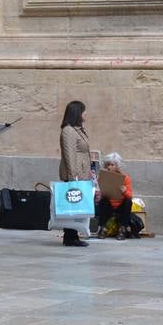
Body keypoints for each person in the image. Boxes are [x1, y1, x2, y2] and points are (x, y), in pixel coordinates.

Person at [58, 100, 93, 247]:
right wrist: (73, 178)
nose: (86, 114)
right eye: (84, 111)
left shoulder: (77, 129)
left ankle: (74, 235)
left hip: (82, 174)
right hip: (74, 175)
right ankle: (70, 237)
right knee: (70, 207)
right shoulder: (68, 131)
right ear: (77, 113)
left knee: (76, 207)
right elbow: (69, 155)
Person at [95, 152, 138, 239]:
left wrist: (125, 191)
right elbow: (100, 194)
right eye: (108, 165)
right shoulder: (104, 177)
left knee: (128, 201)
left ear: (117, 166)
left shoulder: (125, 178)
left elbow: (130, 196)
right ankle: (103, 228)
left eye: (112, 165)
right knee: (103, 201)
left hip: (120, 207)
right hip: (109, 206)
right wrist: (98, 194)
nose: (109, 167)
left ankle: (122, 229)